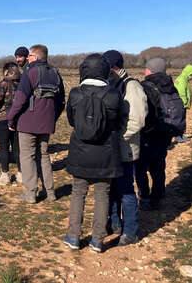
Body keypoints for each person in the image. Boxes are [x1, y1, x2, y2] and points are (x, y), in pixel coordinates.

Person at [63, 54, 123, 253]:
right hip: (106, 153)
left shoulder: (75, 94)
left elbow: (72, 121)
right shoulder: (114, 94)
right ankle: (97, 240)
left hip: (81, 151)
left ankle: (73, 236)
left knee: (78, 193)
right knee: (102, 195)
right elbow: (118, 122)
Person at [7, 45, 65, 203]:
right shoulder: (55, 73)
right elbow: (61, 101)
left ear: (37, 57)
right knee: (44, 156)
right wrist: (52, 117)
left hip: (27, 123)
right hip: (46, 122)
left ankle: (31, 193)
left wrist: (11, 118)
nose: (28, 58)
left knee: (27, 157)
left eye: (30, 55)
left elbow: (20, 99)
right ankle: (51, 192)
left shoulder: (29, 72)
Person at [102, 50, 148, 246]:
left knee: (126, 190)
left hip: (126, 147)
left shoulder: (132, 86)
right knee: (111, 188)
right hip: (111, 148)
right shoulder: (111, 84)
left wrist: (118, 136)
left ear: (112, 67)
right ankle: (114, 224)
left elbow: (137, 120)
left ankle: (130, 231)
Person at [137, 57, 179, 211]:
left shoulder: (144, 86)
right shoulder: (171, 86)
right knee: (159, 165)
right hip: (165, 132)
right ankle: (158, 194)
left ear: (149, 70)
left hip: (147, 133)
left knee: (140, 168)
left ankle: (145, 197)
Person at [0, 62, 21, 185]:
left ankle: (5, 174)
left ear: (6, 71)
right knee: (17, 147)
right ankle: (21, 174)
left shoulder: (4, 83)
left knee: (4, 146)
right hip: (18, 119)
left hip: (2, 118)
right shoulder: (23, 83)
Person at [173, 64, 192, 143]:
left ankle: (180, 135)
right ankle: (178, 136)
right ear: (188, 72)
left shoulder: (185, 79)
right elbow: (181, 92)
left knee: (182, 120)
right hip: (180, 103)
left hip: (181, 103)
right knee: (179, 120)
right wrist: (184, 101)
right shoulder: (182, 79)